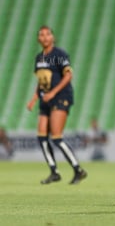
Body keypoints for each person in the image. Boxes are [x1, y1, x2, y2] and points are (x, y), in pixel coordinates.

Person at [27, 25, 87, 184]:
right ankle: (54, 171)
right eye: (41, 35)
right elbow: (41, 81)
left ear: (52, 37)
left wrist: (53, 93)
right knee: (41, 136)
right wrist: (34, 98)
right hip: (44, 99)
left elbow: (68, 75)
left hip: (60, 97)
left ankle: (78, 169)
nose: (45, 37)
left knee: (56, 136)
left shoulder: (59, 55)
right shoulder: (39, 58)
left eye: (48, 34)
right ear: (38, 39)